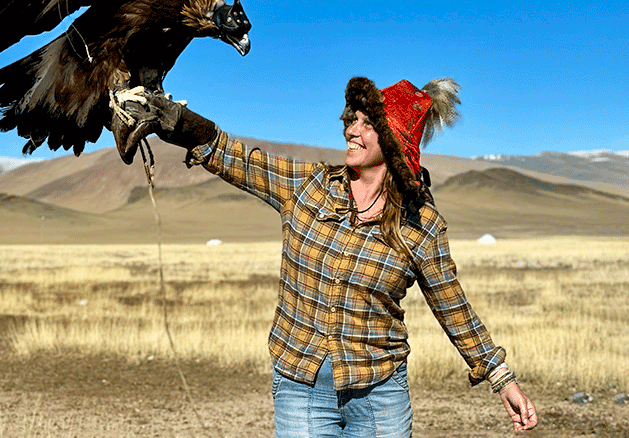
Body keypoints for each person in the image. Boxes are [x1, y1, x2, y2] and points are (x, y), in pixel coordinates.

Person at [120, 76, 538, 437]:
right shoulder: (310, 187)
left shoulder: (420, 224)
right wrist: (180, 122)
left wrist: (502, 379)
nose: (351, 131)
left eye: (366, 123)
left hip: (379, 394)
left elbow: (453, 306)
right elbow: (239, 160)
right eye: (350, 120)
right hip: (300, 384)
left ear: (393, 138)